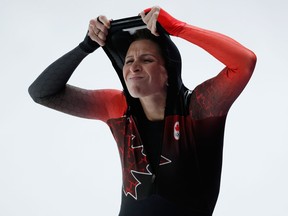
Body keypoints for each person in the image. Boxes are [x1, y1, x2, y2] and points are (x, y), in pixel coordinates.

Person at [28, 6, 257, 216]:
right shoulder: (116, 108)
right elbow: (42, 93)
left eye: (146, 59)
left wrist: (179, 28)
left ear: (168, 71)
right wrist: (86, 46)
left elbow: (244, 62)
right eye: (128, 60)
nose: (134, 67)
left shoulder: (198, 109)